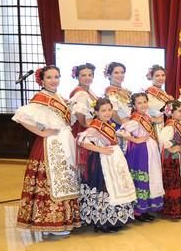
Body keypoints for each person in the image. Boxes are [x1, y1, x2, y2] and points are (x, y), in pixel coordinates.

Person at [13, 66, 81, 236]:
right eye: (49, 77)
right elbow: (22, 117)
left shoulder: (57, 96)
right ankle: (50, 221)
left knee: (66, 178)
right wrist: (42, 132)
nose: (54, 80)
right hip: (51, 144)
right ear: (42, 81)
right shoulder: (41, 97)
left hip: (65, 140)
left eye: (56, 76)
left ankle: (65, 220)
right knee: (52, 180)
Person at [76, 97, 137, 233]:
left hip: (114, 159)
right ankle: (102, 221)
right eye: (103, 110)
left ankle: (114, 218)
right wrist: (100, 149)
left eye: (109, 110)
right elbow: (80, 140)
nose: (107, 113)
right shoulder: (95, 126)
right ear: (96, 112)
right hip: (101, 161)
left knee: (117, 186)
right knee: (105, 187)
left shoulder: (108, 124)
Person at [120, 92, 164, 222]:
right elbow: (122, 130)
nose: (143, 105)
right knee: (142, 177)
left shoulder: (146, 116)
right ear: (134, 105)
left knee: (151, 176)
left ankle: (148, 207)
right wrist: (135, 139)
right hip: (140, 151)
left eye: (145, 102)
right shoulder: (135, 119)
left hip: (149, 149)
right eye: (139, 103)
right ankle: (139, 210)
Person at [68, 63, 98, 137]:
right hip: (82, 130)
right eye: (83, 75)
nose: (87, 78)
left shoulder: (89, 90)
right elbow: (79, 112)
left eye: (90, 75)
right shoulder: (81, 93)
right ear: (77, 77)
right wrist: (86, 125)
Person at [144, 65, 173, 135]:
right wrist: (154, 119)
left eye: (163, 75)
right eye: (157, 76)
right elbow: (145, 111)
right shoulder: (148, 93)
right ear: (152, 77)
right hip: (154, 126)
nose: (161, 78)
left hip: (164, 124)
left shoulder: (164, 93)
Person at [104, 62, 132, 126]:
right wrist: (124, 126)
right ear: (109, 75)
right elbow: (113, 113)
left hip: (131, 123)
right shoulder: (110, 92)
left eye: (122, 72)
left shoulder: (125, 90)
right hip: (120, 126)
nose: (120, 75)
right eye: (116, 73)